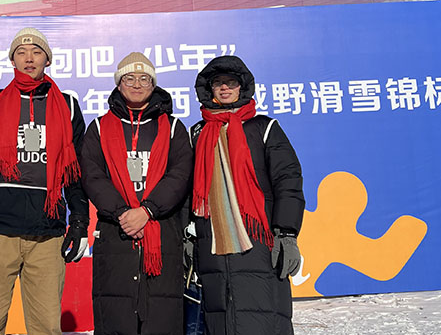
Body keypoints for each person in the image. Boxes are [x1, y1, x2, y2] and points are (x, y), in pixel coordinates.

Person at [0, 27, 89, 335]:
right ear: (12, 59)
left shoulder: (67, 105)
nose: (29, 58)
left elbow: (76, 172)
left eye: (37, 52)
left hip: (47, 234)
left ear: (47, 60)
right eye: (21, 52)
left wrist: (80, 221)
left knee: (46, 329)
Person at [189, 55, 305, 335]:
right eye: (218, 83)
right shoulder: (198, 133)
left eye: (231, 82)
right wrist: (187, 235)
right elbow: (187, 188)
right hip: (212, 241)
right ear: (209, 89)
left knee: (263, 314)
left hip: (259, 239)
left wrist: (287, 233)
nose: (224, 88)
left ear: (242, 87)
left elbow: (287, 180)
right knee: (220, 316)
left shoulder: (264, 128)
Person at [80, 52, 193, 335]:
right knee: (116, 318)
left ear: (153, 85)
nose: (137, 84)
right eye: (129, 78)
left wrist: (147, 211)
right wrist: (123, 214)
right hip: (115, 234)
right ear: (119, 84)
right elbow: (93, 176)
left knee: (161, 320)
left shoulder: (173, 128)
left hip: (162, 233)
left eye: (144, 79)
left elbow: (179, 175)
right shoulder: (98, 128)